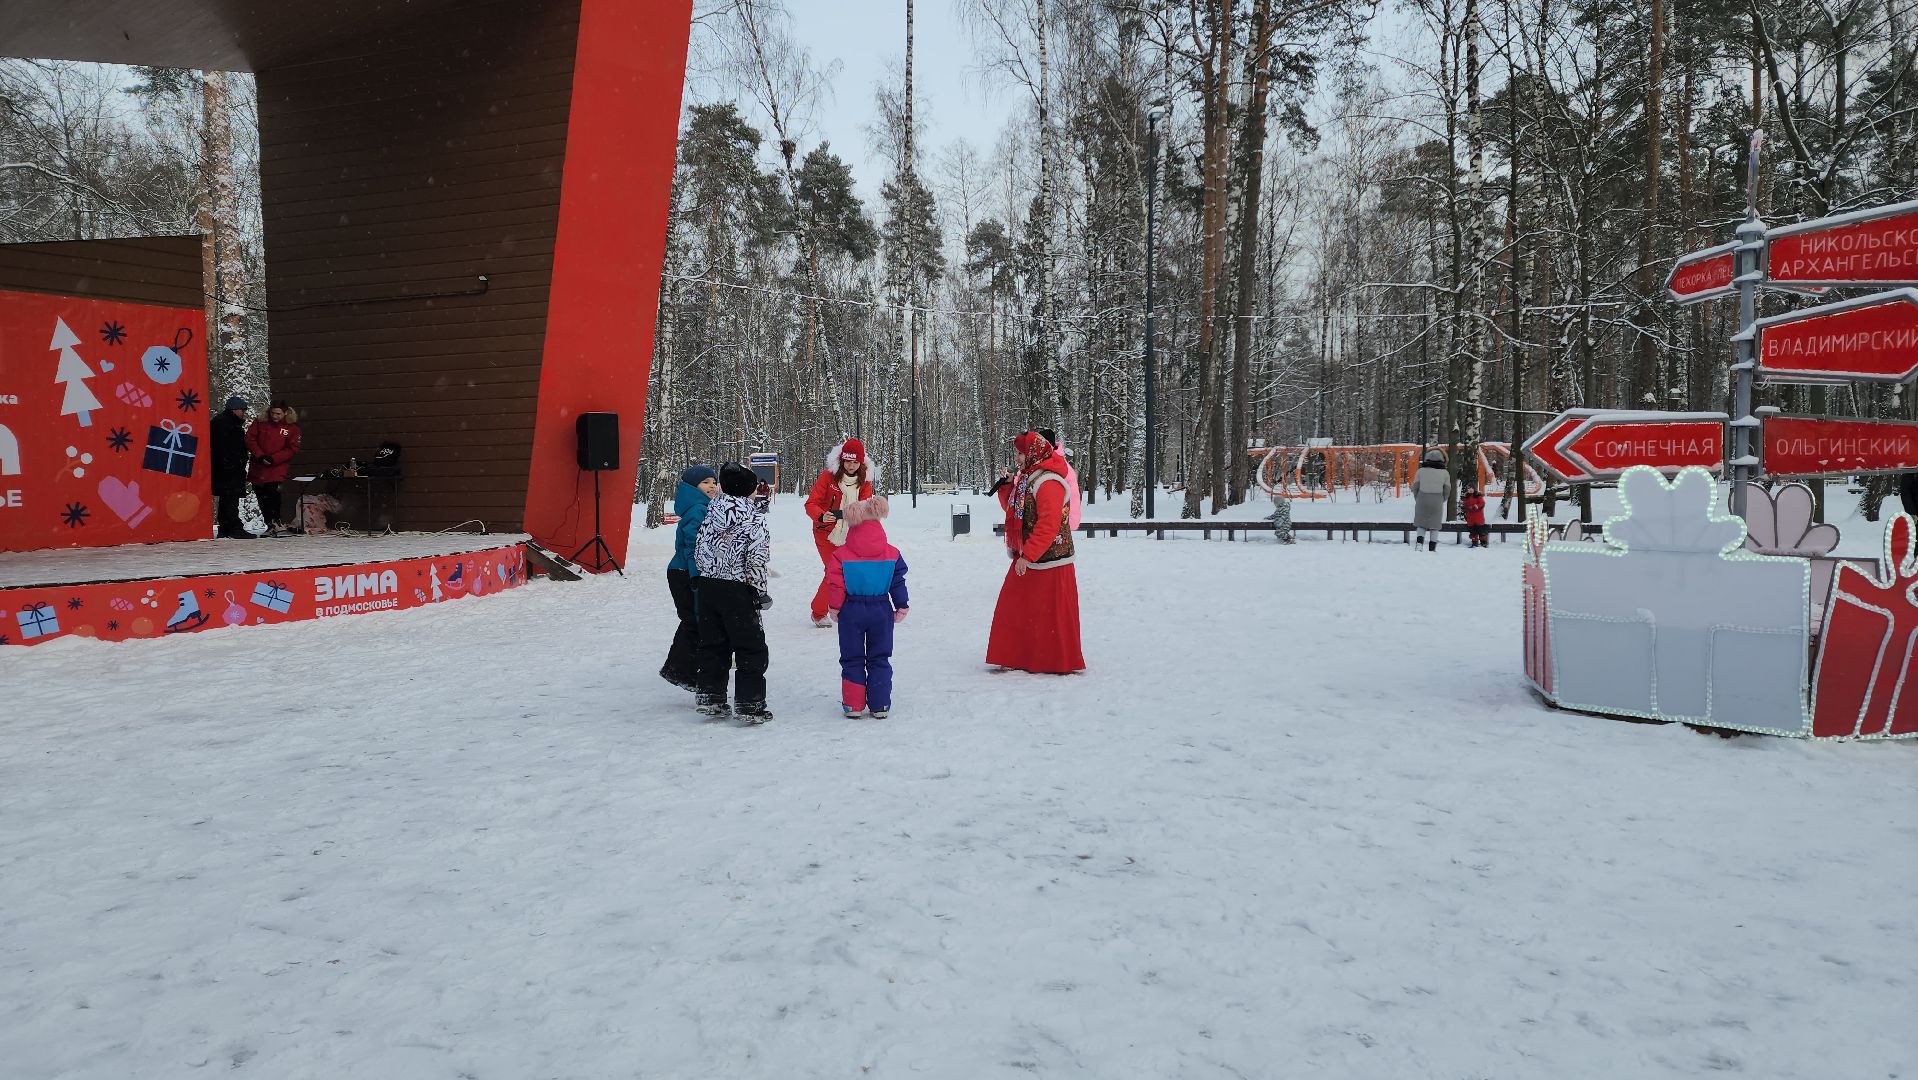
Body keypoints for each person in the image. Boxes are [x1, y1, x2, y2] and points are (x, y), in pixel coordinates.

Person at [987, 431, 1085, 674]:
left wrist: (1028, 555)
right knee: (1017, 607)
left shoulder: (1048, 482)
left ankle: (1052, 659)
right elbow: (1016, 510)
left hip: (1051, 559)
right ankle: (1020, 655)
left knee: (1048, 613)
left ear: (1033, 453)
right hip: (1031, 554)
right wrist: (1006, 487)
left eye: (1020, 453)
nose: (1017, 458)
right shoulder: (1028, 478)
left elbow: (1048, 525)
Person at [694, 462, 774, 723]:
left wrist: (705, 574)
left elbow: (699, 548)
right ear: (746, 490)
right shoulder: (753, 518)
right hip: (739, 588)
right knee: (750, 646)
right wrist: (759, 590)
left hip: (709, 586)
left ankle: (711, 696)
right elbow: (757, 558)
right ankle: (750, 703)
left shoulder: (711, 512)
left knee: (713, 643)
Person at [825, 496, 910, 718]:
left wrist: (835, 607)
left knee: (851, 657)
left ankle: (853, 705)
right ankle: (879, 704)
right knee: (879, 656)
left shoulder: (841, 555)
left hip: (851, 609)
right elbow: (897, 581)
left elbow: (836, 584)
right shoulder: (892, 554)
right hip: (881, 609)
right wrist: (901, 604)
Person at [805, 438, 874, 627]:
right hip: (826, 532)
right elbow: (811, 503)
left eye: (855, 462)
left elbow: (865, 508)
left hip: (851, 532)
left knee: (853, 572)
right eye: (848, 461)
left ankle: (848, 608)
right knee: (834, 571)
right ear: (842, 460)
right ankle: (818, 613)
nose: (851, 466)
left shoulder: (865, 481)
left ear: (861, 462)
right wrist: (821, 515)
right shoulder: (828, 476)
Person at [660, 465, 718, 692]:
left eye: (714, 482)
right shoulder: (698, 509)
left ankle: (682, 670)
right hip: (685, 572)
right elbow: (693, 545)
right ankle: (680, 672)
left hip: (685, 571)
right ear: (693, 487)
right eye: (705, 482)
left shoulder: (702, 507)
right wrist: (697, 576)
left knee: (694, 621)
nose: (712, 486)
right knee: (694, 621)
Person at [244, 401, 301, 535]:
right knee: (261, 494)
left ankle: (276, 522)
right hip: (258, 465)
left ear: (285, 413)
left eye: (278, 414)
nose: (275, 416)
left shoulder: (292, 428)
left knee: (273, 493)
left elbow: (292, 449)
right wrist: (260, 455)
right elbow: (250, 439)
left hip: (276, 467)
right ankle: (269, 523)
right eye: (273, 413)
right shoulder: (260, 422)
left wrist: (274, 458)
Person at [210, 396, 251, 539]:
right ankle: (233, 527)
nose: (244, 413)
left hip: (225, 467)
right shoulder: (227, 424)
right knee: (230, 498)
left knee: (226, 497)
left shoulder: (221, 422)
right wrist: (232, 463)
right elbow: (224, 447)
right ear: (234, 410)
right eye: (242, 410)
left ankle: (226, 527)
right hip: (229, 468)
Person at [1411, 450, 1451, 552]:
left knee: (1421, 523)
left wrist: (1418, 498)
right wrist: (1442, 499)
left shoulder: (1420, 471)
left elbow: (1415, 487)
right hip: (1437, 500)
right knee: (1435, 525)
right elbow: (1447, 490)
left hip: (1422, 498)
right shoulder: (1445, 473)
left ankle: (1419, 544)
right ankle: (1432, 547)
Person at [1461, 482, 1489, 548]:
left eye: (1472, 488)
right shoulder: (1466, 497)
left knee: (1481, 531)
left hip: (1478, 518)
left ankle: (1483, 542)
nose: (1470, 490)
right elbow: (1464, 504)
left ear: (1474, 489)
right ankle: (1474, 543)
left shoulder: (1478, 496)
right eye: (1469, 488)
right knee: (1473, 532)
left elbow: (1482, 503)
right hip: (1470, 518)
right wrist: (1463, 507)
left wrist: (1476, 506)